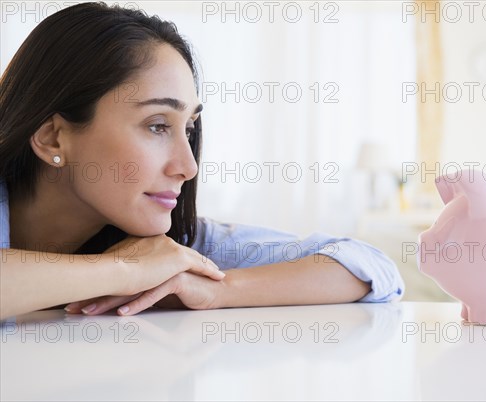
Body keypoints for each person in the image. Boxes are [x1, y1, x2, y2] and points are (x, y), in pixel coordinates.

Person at [0, 2, 404, 321]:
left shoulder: (171, 247)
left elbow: (367, 267)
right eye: (157, 125)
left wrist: (219, 290)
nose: (188, 166)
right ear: (53, 136)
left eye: (189, 128)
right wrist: (125, 269)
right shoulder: (145, 259)